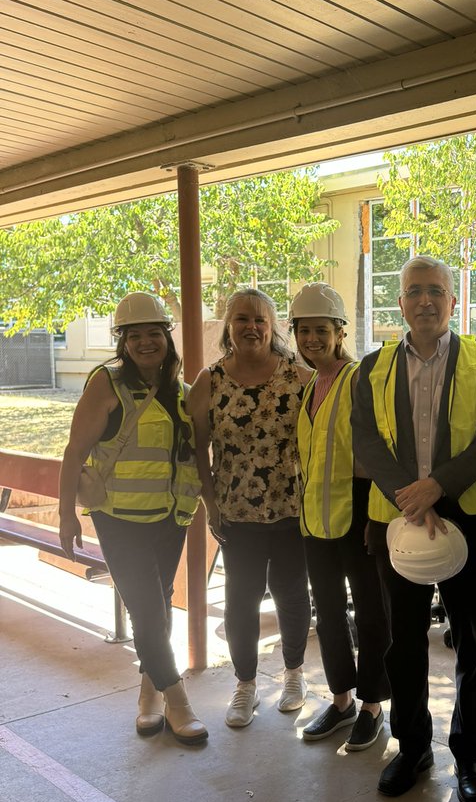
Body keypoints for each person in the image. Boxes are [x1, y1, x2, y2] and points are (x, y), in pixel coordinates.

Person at [351, 255, 476, 802]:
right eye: (414, 291)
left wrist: (436, 486)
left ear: (453, 300)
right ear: (400, 303)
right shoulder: (372, 368)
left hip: (471, 520)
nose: (425, 301)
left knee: (473, 643)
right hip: (397, 522)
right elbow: (365, 441)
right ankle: (412, 748)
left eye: (436, 291)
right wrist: (408, 496)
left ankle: (469, 759)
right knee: (403, 644)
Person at [58, 291, 207, 744]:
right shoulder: (106, 383)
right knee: (145, 608)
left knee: (158, 605)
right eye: (135, 335)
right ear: (121, 341)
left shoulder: (180, 392)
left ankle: (149, 695)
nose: (146, 342)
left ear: (167, 337)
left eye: (154, 333)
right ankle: (178, 702)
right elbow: (74, 452)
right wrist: (67, 516)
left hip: (170, 516)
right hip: (118, 518)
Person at [189, 289, 313, 728]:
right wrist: (209, 501)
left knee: (292, 593)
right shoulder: (211, 380)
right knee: (240, 600)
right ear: (228, 326)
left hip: (291, 509)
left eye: (260, 319)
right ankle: (244, 686)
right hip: (236, 512)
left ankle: (294, 674)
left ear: (274, 325)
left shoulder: (299, 378)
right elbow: (196, 448)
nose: (251, 327)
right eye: (241, 319)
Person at [290, 283, 391, 751]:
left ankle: (372, 705)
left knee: (371, 611)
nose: (312, 339)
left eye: (321, 330)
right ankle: (342, 699)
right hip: (315, 519)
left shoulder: (358, 377)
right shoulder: (310, 384)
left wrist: (376, 514)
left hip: (357, 513)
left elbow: (376, 449)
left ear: (340, 331)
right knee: (328, 612)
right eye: (304, 330)